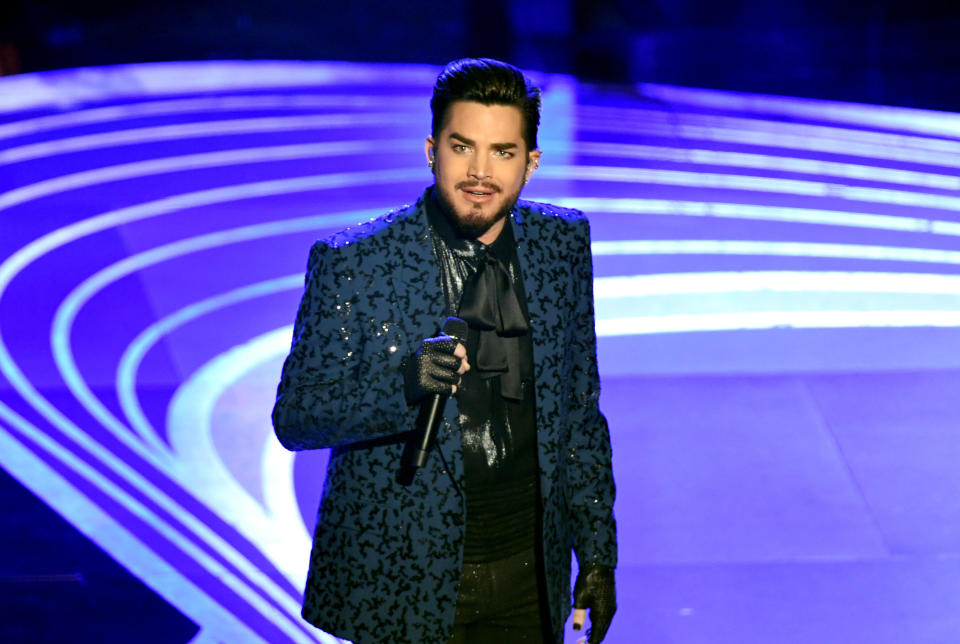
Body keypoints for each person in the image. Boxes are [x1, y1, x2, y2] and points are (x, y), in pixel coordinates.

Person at [272, 58, 616, 644]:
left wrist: (598, 552)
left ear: (531, 162)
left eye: (503, 152)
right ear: (432, 150)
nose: (480, 172)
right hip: (403, 581)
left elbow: (579, 411)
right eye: (463, 147)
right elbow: (297, 417)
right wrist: (405, 383)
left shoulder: (562, 245)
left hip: (529, 579)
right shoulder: (355, 262)